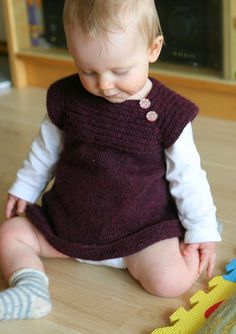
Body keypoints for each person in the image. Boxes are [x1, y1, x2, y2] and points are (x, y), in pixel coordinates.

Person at [0, 0, 221, 321]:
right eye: (87, 70)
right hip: (68, 223)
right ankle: (30, 288)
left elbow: (188, 177)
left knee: (170, 281)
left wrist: (201, 230)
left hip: (140, 234)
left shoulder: (168, 114)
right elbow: (45, 150)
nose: (103, 84)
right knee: (9, 235)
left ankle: (181, 242)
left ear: (153, 49)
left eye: (119, 71)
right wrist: (25, 186)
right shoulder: (67, 97)